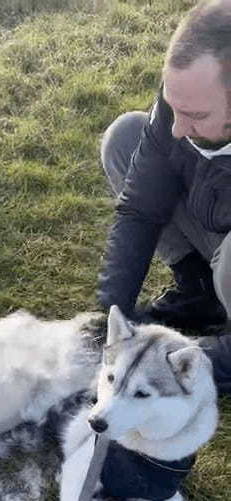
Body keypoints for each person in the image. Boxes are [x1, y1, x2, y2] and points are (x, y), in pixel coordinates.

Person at [97, 0, 231, 390]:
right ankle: (199, 292)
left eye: (196, 116)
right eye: (174, 107)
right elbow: (140, 207)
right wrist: (110, 315)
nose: (177, 128)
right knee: (126, 136)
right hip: (215, 224)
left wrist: (176, 365)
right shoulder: (186, 109)